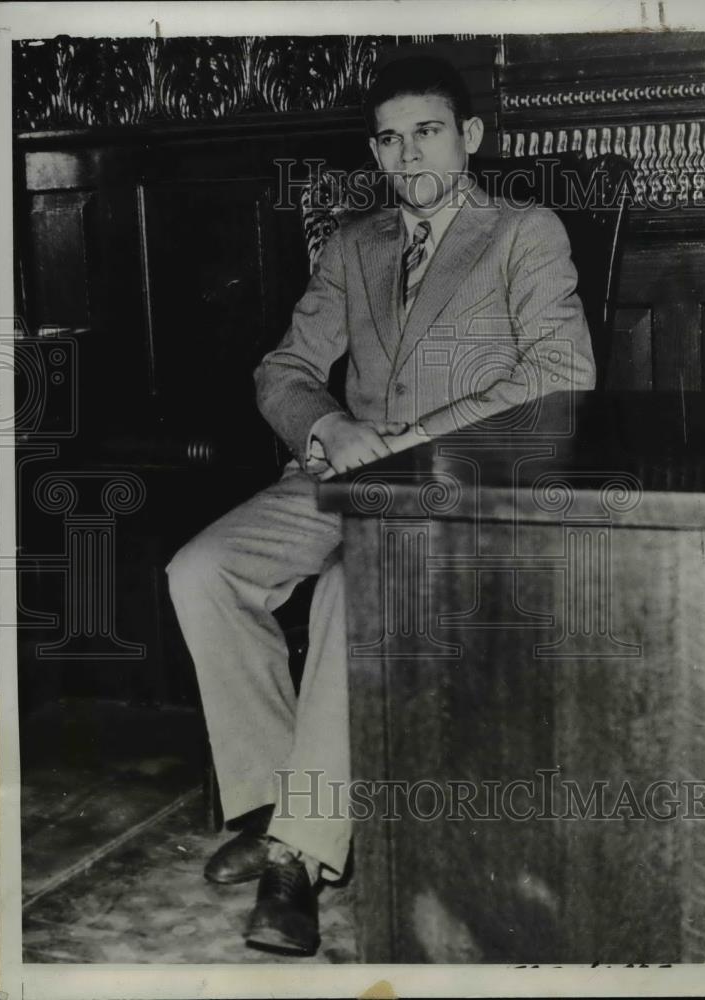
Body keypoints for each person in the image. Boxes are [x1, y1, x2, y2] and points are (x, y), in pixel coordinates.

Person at [167, 54, 595, 957]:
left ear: (469, 137)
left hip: (455, 489)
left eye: (428, 131)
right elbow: (281, 368)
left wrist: (395, 443)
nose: (409, 155)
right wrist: (324, 421)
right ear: (377, 148)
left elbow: (560, 377)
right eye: (391, 138)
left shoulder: (524, 232)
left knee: (342, 594)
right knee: (201, 570)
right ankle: (284, 800)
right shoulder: (353, 247)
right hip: (337, 477)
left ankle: (299, 857)